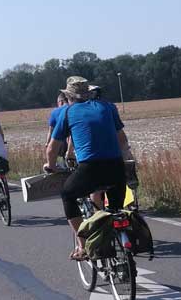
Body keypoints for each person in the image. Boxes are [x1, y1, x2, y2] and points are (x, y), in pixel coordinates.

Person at [44, 76, 133, 260]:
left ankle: (83, 245)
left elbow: (52, 148)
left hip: (90, 169)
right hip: (116, 167)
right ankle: (119, 246)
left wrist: (50, 166)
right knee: (115, 211)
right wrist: (124, 160)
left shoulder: (67, 112)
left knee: (68, 195)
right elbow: (123, 140)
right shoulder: (108, 107)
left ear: (68, 96)